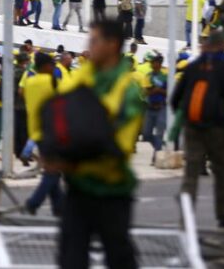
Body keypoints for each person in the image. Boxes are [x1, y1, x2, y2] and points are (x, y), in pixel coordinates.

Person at [46, 20, 143, 269]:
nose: (89, 46)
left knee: (119, 258)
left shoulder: (127, 90)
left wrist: (71, 156)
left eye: (94, 40)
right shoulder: (83, 79)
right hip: (78, 189)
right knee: (70, 257)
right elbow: (60, 112)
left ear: (112, 45)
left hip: (112, 190)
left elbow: (119, 146)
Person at [171, 31, 224, 228]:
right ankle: (222, 217)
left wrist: (185, 120)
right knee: (221, 173)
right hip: (218, 128)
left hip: (193, 127)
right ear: (222, 46)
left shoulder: (193, 67)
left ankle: (185, 220)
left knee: (191, 174)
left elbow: (175, 99)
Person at [22, 52, 63, 215]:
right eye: (52, 64)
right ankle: (33, 203)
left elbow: (21, 94)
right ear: (45, 66)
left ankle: (59, 207)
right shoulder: (53, 81)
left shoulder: (29, 81)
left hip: (35, 130)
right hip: (51, 131)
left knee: (52, 169)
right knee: (52, 171)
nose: (53, 67)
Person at [139, 54, 168, 164]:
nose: (152, 64)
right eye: (152, 62)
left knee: (160, 133)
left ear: (159, 64)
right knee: (146, 134)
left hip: (162, 108)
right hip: (150, 108)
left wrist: (158, 91)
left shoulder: (165, 76)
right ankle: (159, 145)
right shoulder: (148, 76)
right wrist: (155, 90)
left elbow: (169, 91)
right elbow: (146, 91)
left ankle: (156, 156)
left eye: (155, 62)